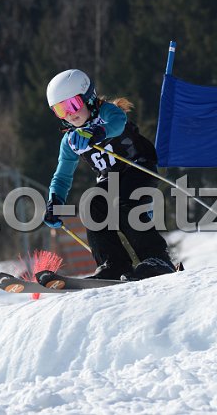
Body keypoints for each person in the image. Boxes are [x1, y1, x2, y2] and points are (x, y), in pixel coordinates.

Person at [43, 69, 176, 280]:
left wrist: (98, 132)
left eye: (72, 105)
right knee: (92, 203)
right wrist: (54, 202)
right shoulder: (70, 141)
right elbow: (62, 176)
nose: (69, 114)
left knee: (123, 201)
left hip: (138, 167)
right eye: (60, 110)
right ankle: (114, 264)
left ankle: (157, 259)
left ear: (88, 98)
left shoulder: (106, 112)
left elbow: (118, 122)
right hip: (110, 178)